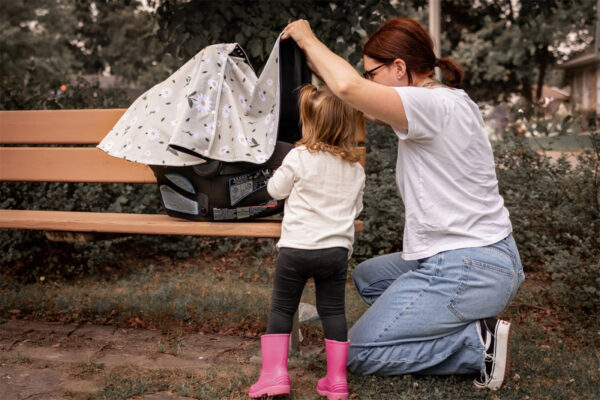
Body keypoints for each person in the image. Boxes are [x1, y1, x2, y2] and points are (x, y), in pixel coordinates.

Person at [281, 17, 525, 390]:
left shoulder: (430, 104)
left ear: (399, 68)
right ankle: (448, 319)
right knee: (369, 277)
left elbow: (348, 87)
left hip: (470, 265)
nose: (368, 82)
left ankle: (475, 345)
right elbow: (354, 93)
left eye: (372, 74)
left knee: (358, 353)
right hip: (477, 256)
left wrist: (306, 35)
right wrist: (310, 58)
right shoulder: (445, 102)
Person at [249, 85, 366, 399]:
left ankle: (275, 376)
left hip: (296, 250)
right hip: (335, 252)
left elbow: (275, 190)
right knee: (334, 312)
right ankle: (337, 381)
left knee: (282, 310)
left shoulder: (299, 156)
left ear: (310, 125)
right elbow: (356, 209)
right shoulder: (355, 168)